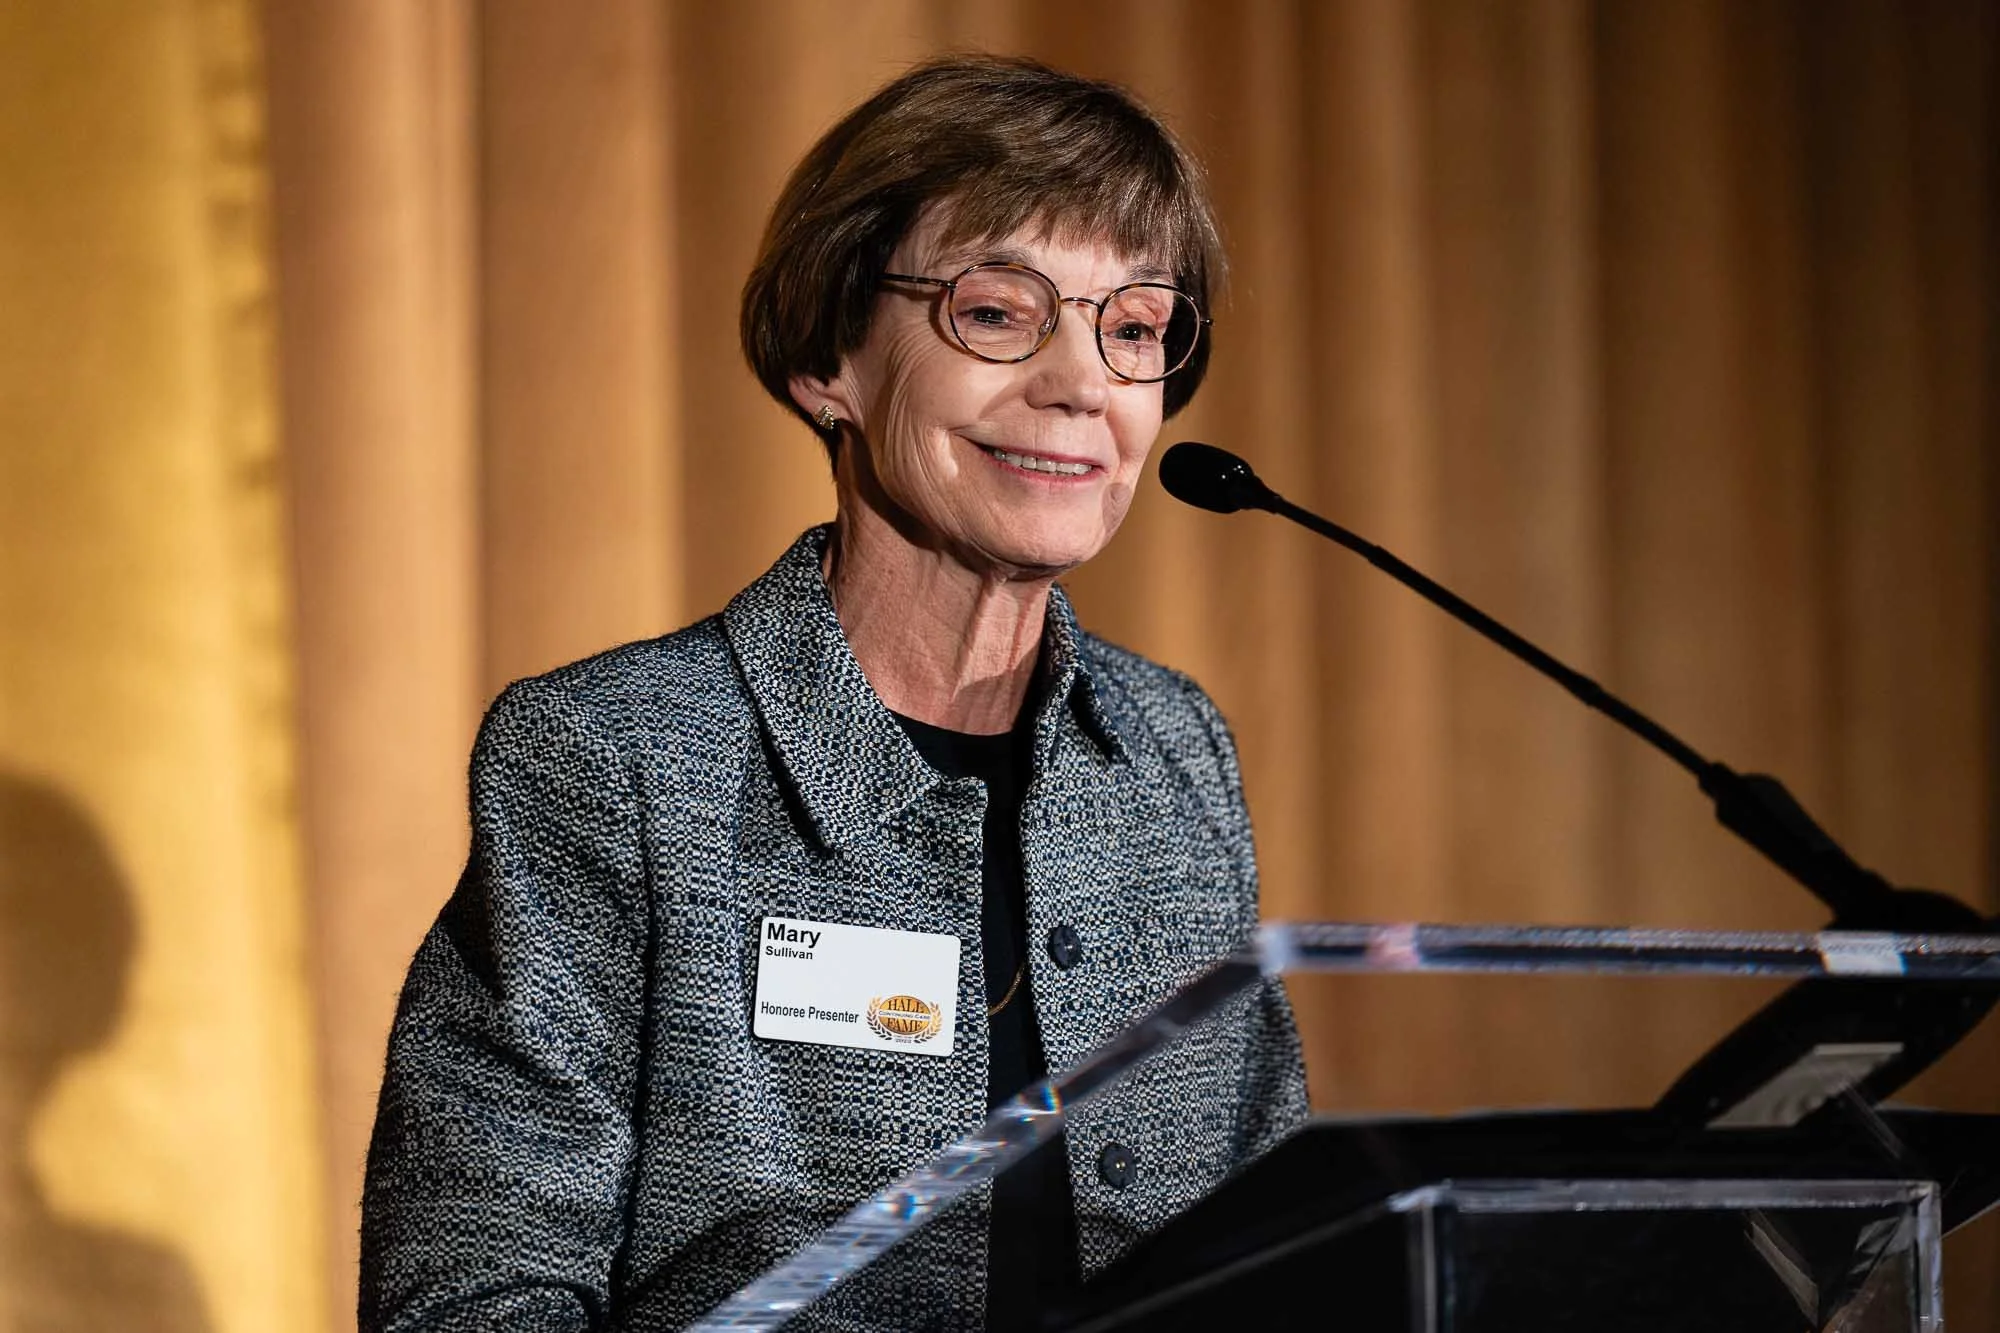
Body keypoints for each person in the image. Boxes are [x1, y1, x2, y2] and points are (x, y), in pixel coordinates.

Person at [360, 54, 1306, 1333]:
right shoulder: (614, 759)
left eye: (1132, 328)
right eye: (996, 311)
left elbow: (1286, 1242)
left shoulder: (1171, 753)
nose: (1082, 383)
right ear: (831, 359)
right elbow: (472, 1296)